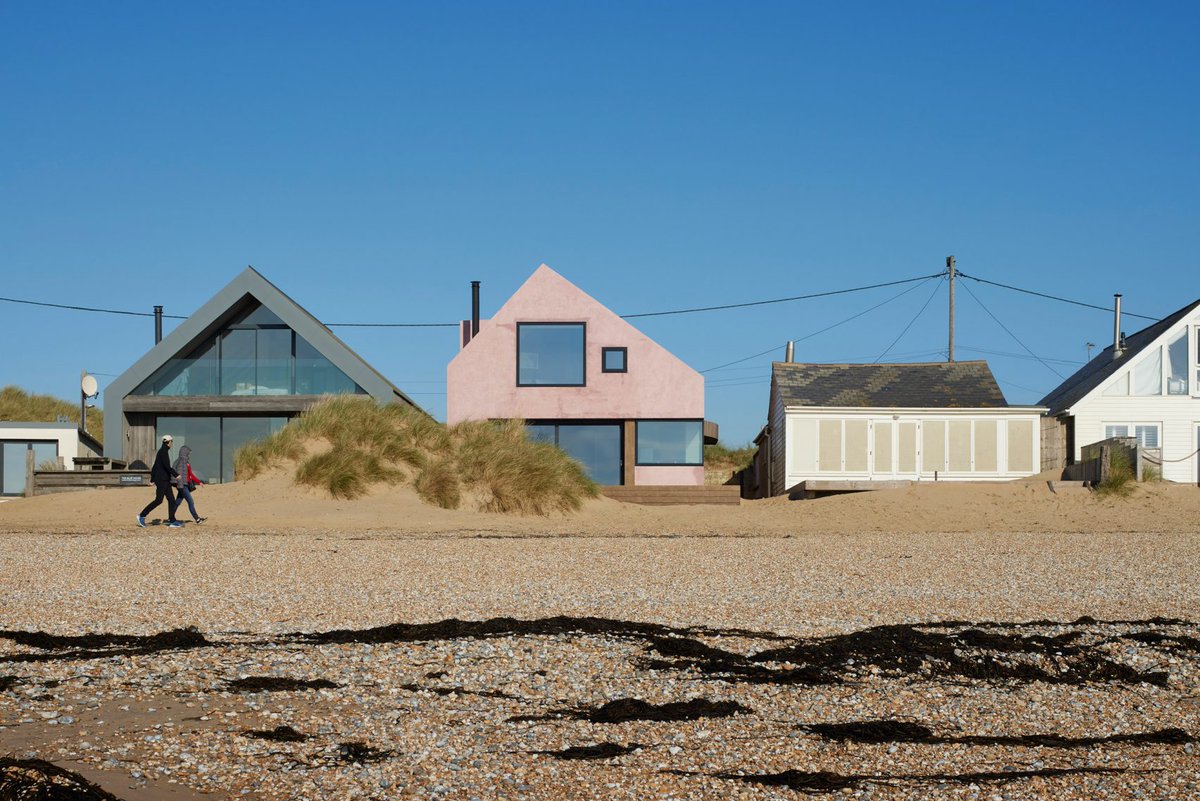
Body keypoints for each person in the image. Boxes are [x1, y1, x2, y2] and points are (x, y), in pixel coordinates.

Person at [137, 434, 182, 528]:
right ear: (169, 442)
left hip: (164, 480)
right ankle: (141, 515)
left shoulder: (161, 451)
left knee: (171, 500)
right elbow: (167, 466)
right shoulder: (163, 452)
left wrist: (152, 480)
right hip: (162, 481)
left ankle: (172, 521)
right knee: (158, 500)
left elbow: (155, 466)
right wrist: (176, 474)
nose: (172, 444)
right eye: (172, 442)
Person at [173, 445, 206, 524]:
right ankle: (197, 519)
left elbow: (191, 475)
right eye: (188, 453)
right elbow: (177, 474)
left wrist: (199, 482)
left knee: (177, 502)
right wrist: (178, 485)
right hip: (182, 485)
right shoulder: (180, 462)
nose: (189, 455)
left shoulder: (186, 463)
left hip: (185, 485)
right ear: (185, 453)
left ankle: (171, 517)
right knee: (190, 501)